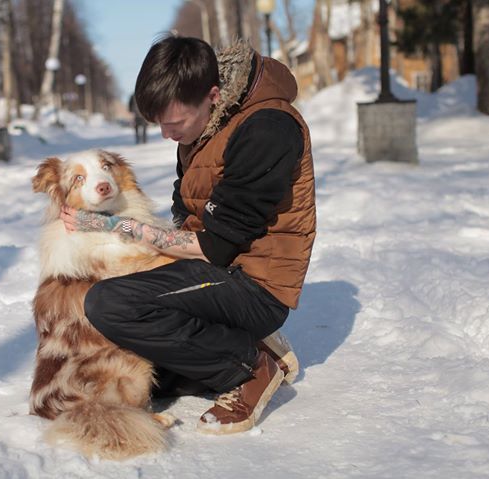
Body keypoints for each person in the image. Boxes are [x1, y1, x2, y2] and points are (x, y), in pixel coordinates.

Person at [60, 34, 316, 435]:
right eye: (159, 123)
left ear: (213, 94)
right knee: (141, 355)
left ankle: (250, 368)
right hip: (216, 271)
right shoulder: (204, 124)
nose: (165, 134)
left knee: (109, 305)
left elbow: (214, 245)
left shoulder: (267, 129)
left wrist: (116, 225)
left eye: (173, 123)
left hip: (254, 285)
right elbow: (186, 215)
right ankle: (243, 343)